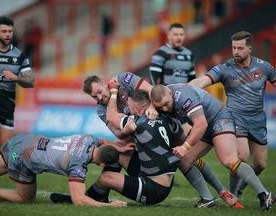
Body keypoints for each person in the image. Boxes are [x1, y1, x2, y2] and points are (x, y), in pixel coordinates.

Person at [83, 73, 242, 208]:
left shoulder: (124, 79)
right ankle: (214, 195)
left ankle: (218, 192)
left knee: (187, 156)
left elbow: (152, 91)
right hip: (146, 130)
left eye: (98, 92)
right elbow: (120, 134)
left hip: (152, 121)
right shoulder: (101, 108)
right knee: (183, 156)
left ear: (105, 84)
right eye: (94, 96)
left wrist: (150, 106)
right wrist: (127, 131)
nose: (99, 97)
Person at [150, 83, 276, 212]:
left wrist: (185, 147)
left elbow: (201, 124)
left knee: (229, 160)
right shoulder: (163, 96)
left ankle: (264, 194)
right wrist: (151, 107)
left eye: (166, 104)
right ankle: (208, 199)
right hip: (205, 124)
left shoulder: (183, 96)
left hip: (219, 119)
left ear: (170, 93)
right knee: (183, 161)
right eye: (160, 107)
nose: (165, 109)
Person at [189, 31, 276, 197]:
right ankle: (234, 193)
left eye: (240, 48)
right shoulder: (225, 68)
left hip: (258, 119)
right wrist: (186, 88)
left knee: (260, 164)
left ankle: (241, 187)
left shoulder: (264, 67)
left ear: (250, 48)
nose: (236, 51)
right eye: (234, 47)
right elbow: (202, 81)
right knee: (242, 156)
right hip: (234, 118)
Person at [0, 133, 129, 207]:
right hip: (22, 157)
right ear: (102, 165)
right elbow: (79, 200)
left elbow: (103, 141)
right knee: (25, 199)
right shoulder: (77, 165)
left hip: (24, 139)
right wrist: (110, 205)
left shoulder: (88, 139)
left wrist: (120, 148)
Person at [0, 16, 35, 162]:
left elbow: (31, 81)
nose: (8, 34)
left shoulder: (19, 55)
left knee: (1, 153)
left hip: (7, 104)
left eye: (10, 31)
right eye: (4, 31)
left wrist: (17, 78)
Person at [149, 23, 195, 134]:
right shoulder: (160, 53)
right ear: (169, 36)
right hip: (167, 101)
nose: (179, 37)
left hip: (184, 99)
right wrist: (155, 101)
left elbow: (193, 79)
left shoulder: (189, 54)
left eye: (181, 34)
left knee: (190, 133)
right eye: (175, 34)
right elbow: (153, 78)